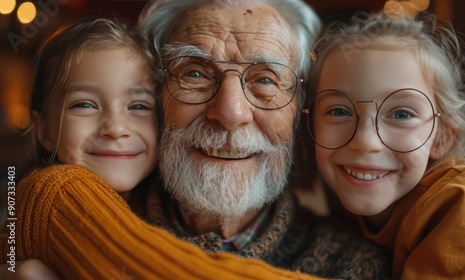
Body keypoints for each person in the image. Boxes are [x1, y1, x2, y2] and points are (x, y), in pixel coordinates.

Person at [1, 1, 388, 279]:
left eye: (266, 79)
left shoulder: (351, 265)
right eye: (195, 73)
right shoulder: (61, 222)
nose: (231, 112)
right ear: (156, 97)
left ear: (299, 108)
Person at [298, 11, 465, 279]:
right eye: (339, 111)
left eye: (401, 114)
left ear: (441, 137)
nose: (365, 142)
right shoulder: (343, 190)